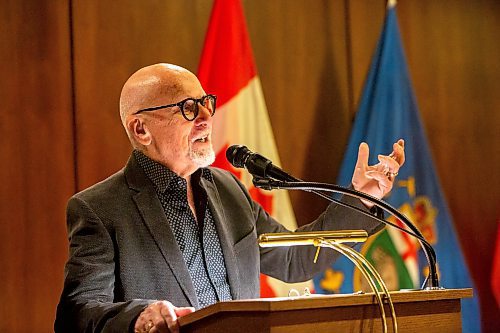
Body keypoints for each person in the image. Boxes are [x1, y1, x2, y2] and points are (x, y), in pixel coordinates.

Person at [55, 63, 405, 333]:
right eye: (188, 108)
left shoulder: (229, 189)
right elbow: (78, 313)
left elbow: (296, 259)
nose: (207, 118)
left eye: (206, 103)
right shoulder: (99, 209)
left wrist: (363, 200)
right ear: (141, 129)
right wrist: (139, 318)